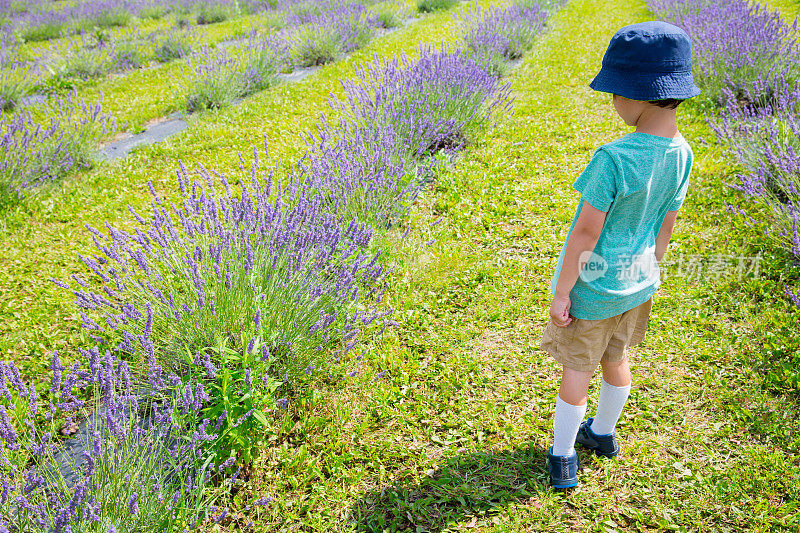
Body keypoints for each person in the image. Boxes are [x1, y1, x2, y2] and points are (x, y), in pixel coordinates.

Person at [541, 21, 701, 489]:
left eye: (614, 92)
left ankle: (563, 456)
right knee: (617, 358)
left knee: (577, 369)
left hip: (594, 286)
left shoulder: (613, 158)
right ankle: (605, 434)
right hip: (636, 282)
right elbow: (667, 221)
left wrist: (562, 292)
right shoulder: (682, 151)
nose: (612, 102)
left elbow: (587, 232)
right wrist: (654, 265)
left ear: (638, 95)